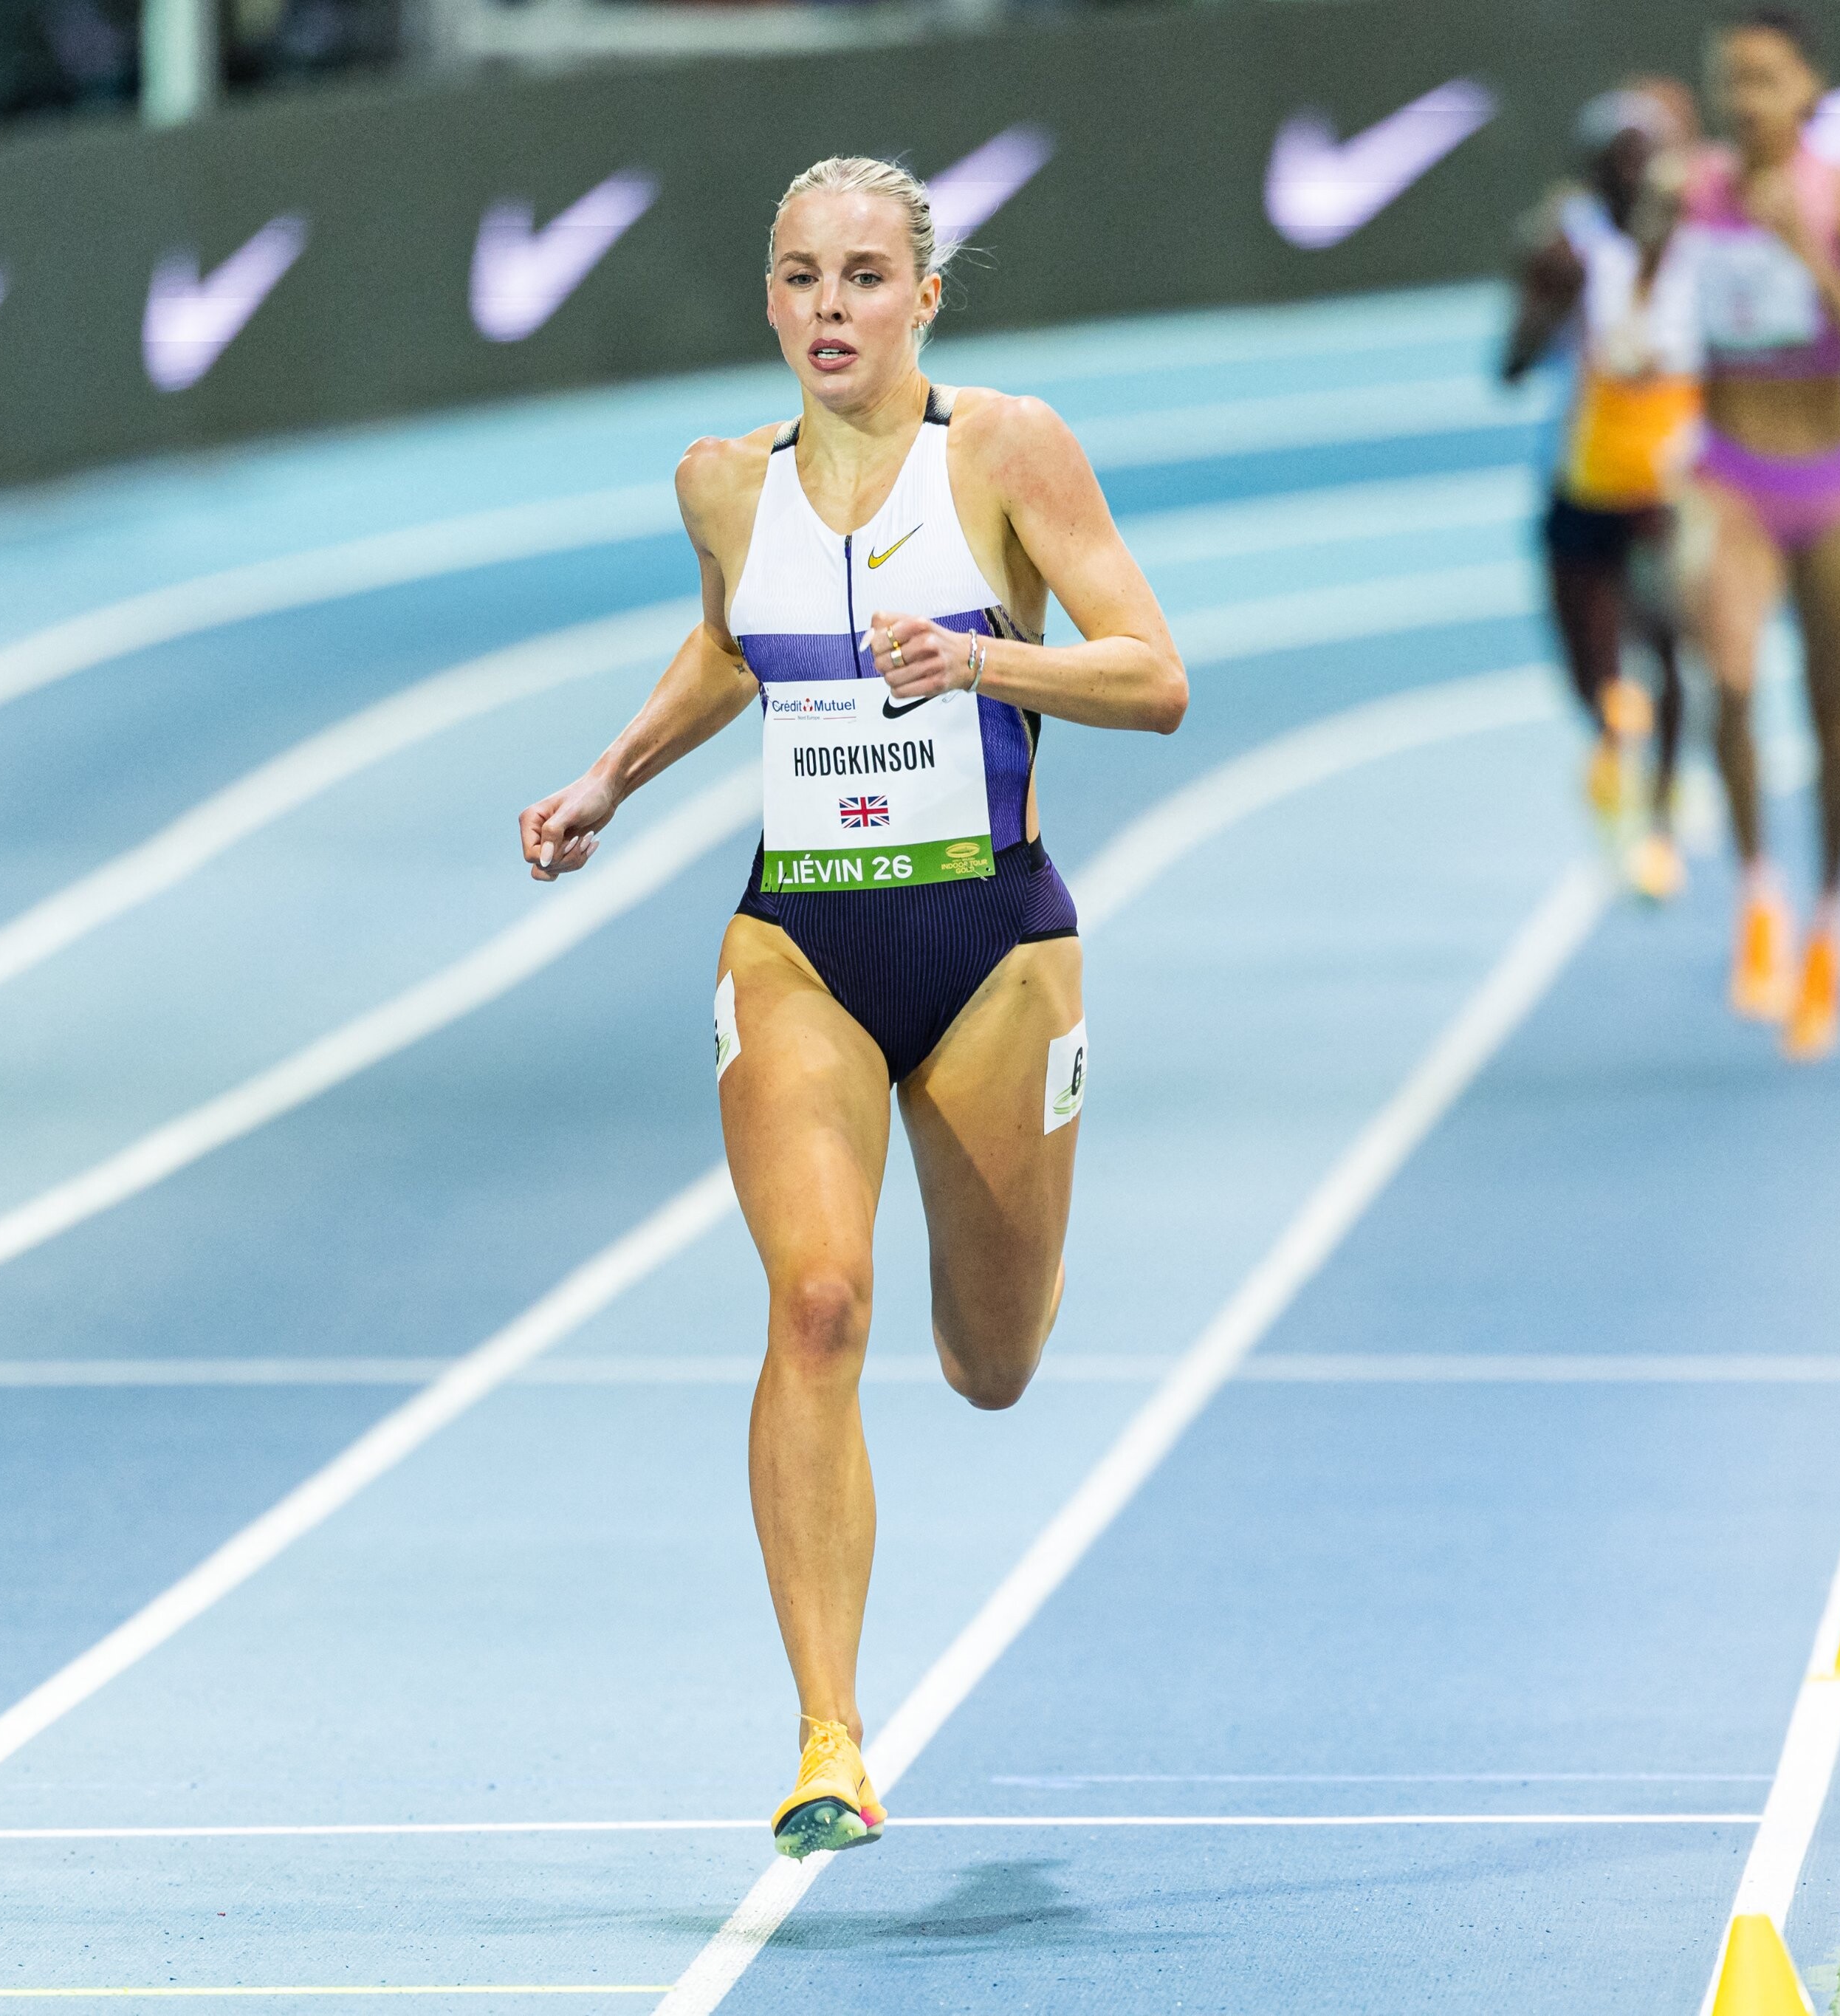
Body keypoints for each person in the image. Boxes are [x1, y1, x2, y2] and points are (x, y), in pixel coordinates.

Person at [516, 157, 1187, 1861]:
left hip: (994, 954)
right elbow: (730, 650)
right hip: (798, 946)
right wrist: (610, 775)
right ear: (769, 301)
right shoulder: (719, 485)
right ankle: (829, 1737)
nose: (832, 307)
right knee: (816, 1303)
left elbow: (1155, 677)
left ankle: (1008, 1277)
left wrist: (985, 660)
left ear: (924, 299)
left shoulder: (1008, 453)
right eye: (803, 277)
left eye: (866, 277)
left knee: (990, 1362)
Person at [1668, 8, 1840, 1060]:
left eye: (1766, 78)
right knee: (1727, 680)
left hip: (1833, 485)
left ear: (1810, 88)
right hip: (1730, 479)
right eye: (1731, 79)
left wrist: (1810, 254)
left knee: (1832, 716)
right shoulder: (1693, 193)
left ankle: (1832, 923)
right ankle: (1759, 894)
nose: (1746, 99)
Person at [1502, 80, 1706, 904]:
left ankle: (1660, 816)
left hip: (1668, 497)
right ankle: (1614, 754)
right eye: (1618, 162)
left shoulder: (1703, 244)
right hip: (1582, 487)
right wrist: (1546, 300)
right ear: (1591, 174)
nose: (1635, 177)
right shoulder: (1567, 248)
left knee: (1670, 649)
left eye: (1648, 160)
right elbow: (1509, 368)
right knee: (1591, 672)